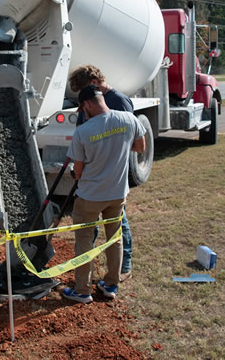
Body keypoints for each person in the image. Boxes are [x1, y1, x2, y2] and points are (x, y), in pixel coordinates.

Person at [62, 84, 146, 303]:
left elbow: (78, 171)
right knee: (115, 238)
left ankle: (82, 290)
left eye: (83, 108)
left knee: (84, 241)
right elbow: (140, 148)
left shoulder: (83, 131)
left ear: (87, 104)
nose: (83, 112)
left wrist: (77, 172)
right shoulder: (128, 119)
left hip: (90, 195)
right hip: (117, 193)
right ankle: (111, 285)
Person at [68, 64, 135, 282]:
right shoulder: (87, 107)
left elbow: (130, 141)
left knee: (118, 226)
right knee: (91, 228)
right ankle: (91, 270)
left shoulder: (120, 102)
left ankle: (123, 268)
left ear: (95, 84)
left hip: (111, 179)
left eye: (85, 91)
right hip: (91, 178)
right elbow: (82, 130)